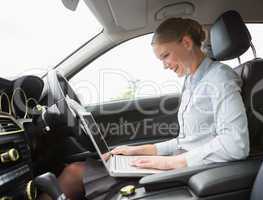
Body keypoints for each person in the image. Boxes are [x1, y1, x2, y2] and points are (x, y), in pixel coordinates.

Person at [39, 17, 249, 200]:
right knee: (78, 169)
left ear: (186, 42)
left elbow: (235, 144)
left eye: (165, 55)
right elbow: (187, 141)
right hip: (183, 162)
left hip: (193, 172)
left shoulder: (219, 78)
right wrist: (140, 151)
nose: (164, 65)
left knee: (76, 173)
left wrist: (170, 163)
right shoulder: (192, 81)